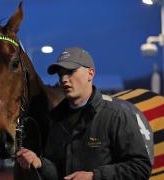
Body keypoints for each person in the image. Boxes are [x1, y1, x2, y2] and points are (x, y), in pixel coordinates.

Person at [16, 47, 152, 180]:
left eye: (70, 72)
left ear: (91, 73)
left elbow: (140, 167)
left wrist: (94, 176)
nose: (63, 79)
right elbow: (58, 171)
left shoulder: (116, 115)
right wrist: (40, 164)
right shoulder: (55, 118)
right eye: (60, 74)